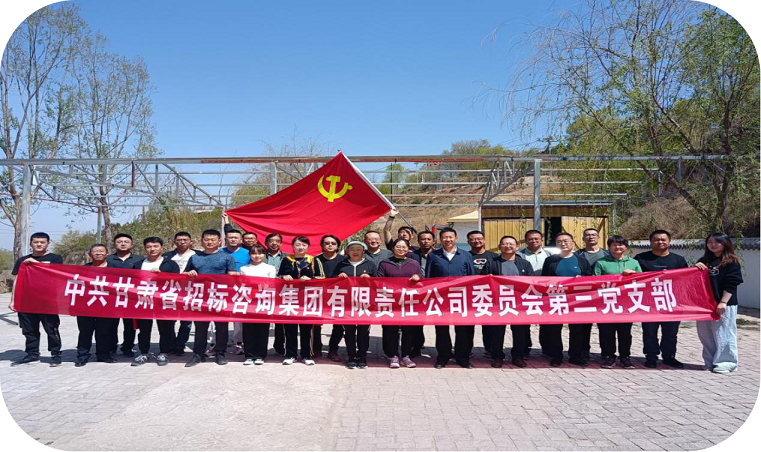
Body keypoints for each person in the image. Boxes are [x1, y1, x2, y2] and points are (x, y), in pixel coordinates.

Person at [634, 230, 688, 368]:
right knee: (649, 332)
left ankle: (669, 357)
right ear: (651, 242)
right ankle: (651, 357)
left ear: (669, 241)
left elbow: (686, 280)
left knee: (670, 332)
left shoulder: (678, 260)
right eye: (656, 240)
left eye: (663, 239)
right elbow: (634, 277)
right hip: (648, 302)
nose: (660, 242)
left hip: (671, 302)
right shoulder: (641, 258)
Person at [183, 229, 237, 367]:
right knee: (200, 327)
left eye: (213, 240)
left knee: (222, 327)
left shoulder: (227, 257)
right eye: (207, 239)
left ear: (219, 241)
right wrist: (189, 273)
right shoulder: (195, 257)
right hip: (201, 297)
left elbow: (232, 276)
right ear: (202, 241)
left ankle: (220, 353)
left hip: (220, 297)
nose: (210, 242)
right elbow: (184, 274)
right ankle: (198, 354)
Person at [479, 235, 534, 368]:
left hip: (519, 303)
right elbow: (481, 282)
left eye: (511, 244)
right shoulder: (491, 263)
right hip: (498, 303)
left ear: (517, 247)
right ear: (499, 246)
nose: (508, 246)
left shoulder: (525, 264)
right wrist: (488, 278)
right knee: (497, 332)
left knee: (520, 331)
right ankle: (497, 356)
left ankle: (518, 356)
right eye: (504, 244)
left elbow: (532, 282)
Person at [425, 227, 476, 369]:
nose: (448, 240)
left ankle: (463, 358)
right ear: (440, 239)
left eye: (451, 237)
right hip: (440, 299)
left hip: (461, 298)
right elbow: (428, 277)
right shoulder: (433, 256)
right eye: (445, 237)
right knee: (441, 330)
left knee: (462, 330)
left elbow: (472, 277)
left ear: (456, 238)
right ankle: (443, 357)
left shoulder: (466, 255)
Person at [11, 232, 64, 366]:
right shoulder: (23, 260)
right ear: (30, 244)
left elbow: (56, 274)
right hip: (26, 301)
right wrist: (13, 300)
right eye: (36, 242)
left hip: (48, 301)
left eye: (42, 242)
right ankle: (32, 354)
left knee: (51, 329)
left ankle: (56, 354)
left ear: (48, 243)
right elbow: (17, 280)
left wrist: (35, 263)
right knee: (29, 330)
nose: (39, 244)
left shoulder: (55, 258)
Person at [540, 233, 593, 367]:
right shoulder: (550, 261)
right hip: (556, 299)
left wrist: (582, 279)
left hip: (577, 300)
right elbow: (544, 279)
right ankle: (556, 355)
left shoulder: (581, 260)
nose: (563, 243)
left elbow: (590, 279)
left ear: (573, 243)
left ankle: (575, 355)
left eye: (566, 241)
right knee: (554, 329)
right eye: (559, 241)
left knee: (577, 329)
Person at [695, 233, 743, 374]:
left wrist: (723, 302)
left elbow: (732, 283)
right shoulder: (704, 260)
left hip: (724, 303)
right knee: (706, 334)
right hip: (705, 305)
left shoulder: (731, 261)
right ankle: (710, 361)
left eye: (717, 242)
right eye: (710, 242)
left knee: (724, 333)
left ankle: (727, 362)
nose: (713, 244)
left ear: (725, 243)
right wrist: (696, 268)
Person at [130, 237, 181, 366]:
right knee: (144, 329)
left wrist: (161, 275)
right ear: (145, 248)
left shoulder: (170, 264)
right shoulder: (138, 264)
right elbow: (132, 282)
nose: (152, 249)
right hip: (144, 301)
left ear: (161, 248)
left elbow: (176, 282)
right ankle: (144, 353)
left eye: (155, 246)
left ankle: (164, 352)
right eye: (149, 247)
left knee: (165, 328)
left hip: (163, 301)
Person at [593, 235, 642, 369]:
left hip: (626, 304)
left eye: (620, 244)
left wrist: (633, 274)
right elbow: (595, 281)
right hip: (606, 303)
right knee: (606, 332)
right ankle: (609, 356)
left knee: (625, 332)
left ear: (626, 247)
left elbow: (642, 281)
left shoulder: (633, 262)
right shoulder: (601, 262)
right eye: (614, 245)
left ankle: (625, 357)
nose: (617, 247)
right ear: (609, 247)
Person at [278, 236, 325, 365]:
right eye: (298, 245)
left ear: (308, 247)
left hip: (308, 298)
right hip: (290, 297)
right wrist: (284, 276)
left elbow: (322, 277)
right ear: (293, 246)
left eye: (304, 245)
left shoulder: (314, 260)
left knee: (307, 328)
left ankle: (306, 355)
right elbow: (279, 276)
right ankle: (291, 354)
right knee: (290, 328)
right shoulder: (286, 259)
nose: (301, 247)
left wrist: (311, 279)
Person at [377, 238, 423, 368]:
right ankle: (393, 356)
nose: (401, 249)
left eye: (404, 247)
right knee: (391, 330)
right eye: (398, 247)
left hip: (408, 302)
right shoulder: (385, 263)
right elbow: (379, 280)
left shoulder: (413, 263)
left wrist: (418, 277)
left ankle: (406, 356)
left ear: (408, 249)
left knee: (408, 330)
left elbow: (421, 278)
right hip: (390, 302)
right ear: (393, 248)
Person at [335, 241, 376, 369]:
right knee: (349, 331)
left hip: (364, 304)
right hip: (347, 304)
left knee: (364, 331)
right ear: (347, 252)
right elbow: (331, 282)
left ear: (363, 251)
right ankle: (351, 356)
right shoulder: (342, 265)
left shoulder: (370, 264)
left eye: (358, 249)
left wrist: (370, 278)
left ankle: (362, 356)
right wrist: (338, 276)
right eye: (352, 249)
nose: (355, 251)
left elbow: (379, 282)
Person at [75, 244, 116, 367]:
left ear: (107, 253)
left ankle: (103, 355)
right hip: (86, 306)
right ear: (90, 254)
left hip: (107, 306)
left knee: (104, 332)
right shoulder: (83, 269)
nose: (98, 253)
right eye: (95, 251)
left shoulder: (115, 269)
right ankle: (82, 356)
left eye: (101, 251)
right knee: (85, 332)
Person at [106, 233, 144, 358]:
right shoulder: (108, 259)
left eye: (126, 242)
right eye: (119, 242)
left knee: (130, 325)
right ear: (114, 244)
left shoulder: (140, 259)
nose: (123, 244)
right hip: (112, 297)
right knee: (111, 324)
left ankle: (128, 347)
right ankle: (111, 346)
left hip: (131, 297)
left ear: (132, 244)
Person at [517, 229, 554, 357]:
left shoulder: (549, 255)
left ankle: (547, 347)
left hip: (546, 292)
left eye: (536, 239)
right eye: (530, 239)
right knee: (524, 321)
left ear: (542, 240)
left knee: (546, 320)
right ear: (526, 240)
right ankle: (525, 347)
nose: (534, 241)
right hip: (525, 292)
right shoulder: (518, 255)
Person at [239, 244, 277, 365]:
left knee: (262, 329)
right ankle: (249, 355)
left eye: (259, 253)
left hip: (263, 302)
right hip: (249, 302)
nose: (257, 256)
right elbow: (242, 285)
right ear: (249, 255)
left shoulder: (270, 268)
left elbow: (271, 284)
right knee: (248, 329)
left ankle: (260, 355)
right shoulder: (244, 269)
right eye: (254, 253)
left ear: (264, 254)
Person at [163, 231, 197, 355]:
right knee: (169, 320)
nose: (182, 242)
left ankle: (180, 345)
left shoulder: (198, 255)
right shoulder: (167, 256)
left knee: (186, 321)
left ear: (190, 241)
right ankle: (171, 343)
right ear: (174, 242)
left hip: (190, 291)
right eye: (179, 240)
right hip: (171, 291)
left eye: (185, 240)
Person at [467, 230, 499, 358]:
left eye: (479, 238)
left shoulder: (494, 257)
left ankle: (490, 349)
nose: (477, 241)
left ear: (484, 240)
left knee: (489, 325)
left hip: (488, 295)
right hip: (469, 295)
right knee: (468, 325)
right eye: (473, 239)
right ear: (468, 241)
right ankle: (466, 349)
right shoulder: (465, 256)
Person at [316, 234, 348, 362]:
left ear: (337, 246)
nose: (330, 245)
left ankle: (333, 350)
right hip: (319, 295)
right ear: (322, 245)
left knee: (339, 324)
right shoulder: (315, 260)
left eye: (333, 243)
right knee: (315, 323)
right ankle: (316, 348)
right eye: (327, 243)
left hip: (338, 295)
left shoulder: (344, 260)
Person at [222, 228, 251, 355]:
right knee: (219, 317)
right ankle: (216, 344)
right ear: (225, 239)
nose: (233, 239)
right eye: (230, 237)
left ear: (240, 240)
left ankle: (238, 342)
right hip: (222, 289)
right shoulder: (219, 252)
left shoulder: (247, 253)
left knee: (239, 318)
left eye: (236, 238)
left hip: (240, 289)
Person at [407, 230, 436, 357]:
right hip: (416, 292)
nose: (425, 242)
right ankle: (416, 347)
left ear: (433, 241)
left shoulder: (439, 255)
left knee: (441, 322)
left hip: (436, 291)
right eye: (423, 239)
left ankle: (444, 349)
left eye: (428, 239)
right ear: (418, 241)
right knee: (416, 321)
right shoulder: (411, 256)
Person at [265, 232, 287, 356]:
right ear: (266, 243)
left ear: (281, 243)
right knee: (263, 319)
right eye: (271, 241)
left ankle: (279, 345)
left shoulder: (287, 257)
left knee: (281, 320)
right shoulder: (260, 255)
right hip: (262, 291)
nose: (274, 243)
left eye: (277, 241)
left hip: (281, 291)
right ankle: (261, 346)